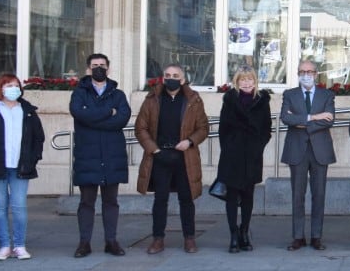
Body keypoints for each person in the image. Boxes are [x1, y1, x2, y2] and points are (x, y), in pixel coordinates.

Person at [135, 63, 208, 254]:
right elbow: (140, 127)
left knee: (187, 199)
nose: (171, 78)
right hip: (160, 156)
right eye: (167, 75)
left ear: (182, 79)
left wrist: (190, 141)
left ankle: (189, 239)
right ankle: (158, 239)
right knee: (160, 200)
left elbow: (203, 128)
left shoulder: (193, 100)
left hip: (185, 156)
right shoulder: (152, 99)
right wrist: (154, 149)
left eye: (175, 75)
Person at [0, 74, 45, 261]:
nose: (14, 88)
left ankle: (19, 245)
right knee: (0, 207)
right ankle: (4, 245)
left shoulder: (27, 111)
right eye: (9, 85)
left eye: (16, 85)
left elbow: (38, 137)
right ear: (0, 88)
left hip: (20, 167)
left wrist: (33, 158)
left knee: (19, 206)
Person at [69, 53, 130, 258]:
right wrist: (108, 113)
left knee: (110, 201)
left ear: (108, 68)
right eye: (95, 65)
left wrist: (94, 116)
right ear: (88, 69)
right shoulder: (79, 93)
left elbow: (121, 119)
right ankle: (84, 242)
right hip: (88, 154)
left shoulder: (118, 95)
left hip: (112, 155)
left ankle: (111, 241)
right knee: (87, 202)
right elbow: (79, 114)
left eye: (102, 65)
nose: (99, 68)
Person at [281, 58, 336, 251]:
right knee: (297, 194)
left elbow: (329, 120)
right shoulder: (289, 94)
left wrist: (302, 123)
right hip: (297, 150)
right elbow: (285, 118)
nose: (306, 75)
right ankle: (298, 236)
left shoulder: (327, 94)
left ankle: (316, 236)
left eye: (310, 72)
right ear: (297, 73)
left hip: (320, 150)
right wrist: (313, 117)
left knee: (319, 194)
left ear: (316, 74)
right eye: (302, 71)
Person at [216, 65, 272, 253]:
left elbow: (267, 129)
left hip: (253, 156)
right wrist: (230, 149)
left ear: (255, 81)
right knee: (231, 196)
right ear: (237, 82)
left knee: (248, 196)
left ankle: (244, 232)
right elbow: (223, 129)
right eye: (243, 79)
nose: (247, 83)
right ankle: (233, 235)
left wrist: (257, 147)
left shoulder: (262, 100)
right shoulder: (230, 99)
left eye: (250, 79)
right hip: (232, 156)